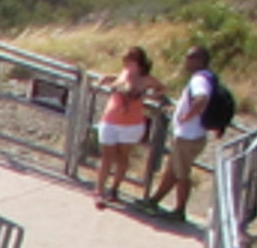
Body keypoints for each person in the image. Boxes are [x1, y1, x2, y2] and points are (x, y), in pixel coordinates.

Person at [145, 47, 232, 221]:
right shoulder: (206, 78)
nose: (186, 61)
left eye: (190, 58)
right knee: (172, 170)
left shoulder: (199, 80)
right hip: (190, 134)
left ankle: (179, 210)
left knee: (182, 174)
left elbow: (201, 99)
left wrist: (186, 116)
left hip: (188, 136)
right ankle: (153, 201)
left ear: (200, 60)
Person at [93, 46, 161, 207]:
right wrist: (109, 79)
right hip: (111, 119)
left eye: (131, 60)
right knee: (107, 156)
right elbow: (120, 80)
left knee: (122, 157)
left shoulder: (146, 79)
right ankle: (100, 189)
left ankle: (114, 188)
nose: (128, 64)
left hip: (131, 124)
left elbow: (161, 88)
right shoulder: (123, 74)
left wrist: (150, 95)